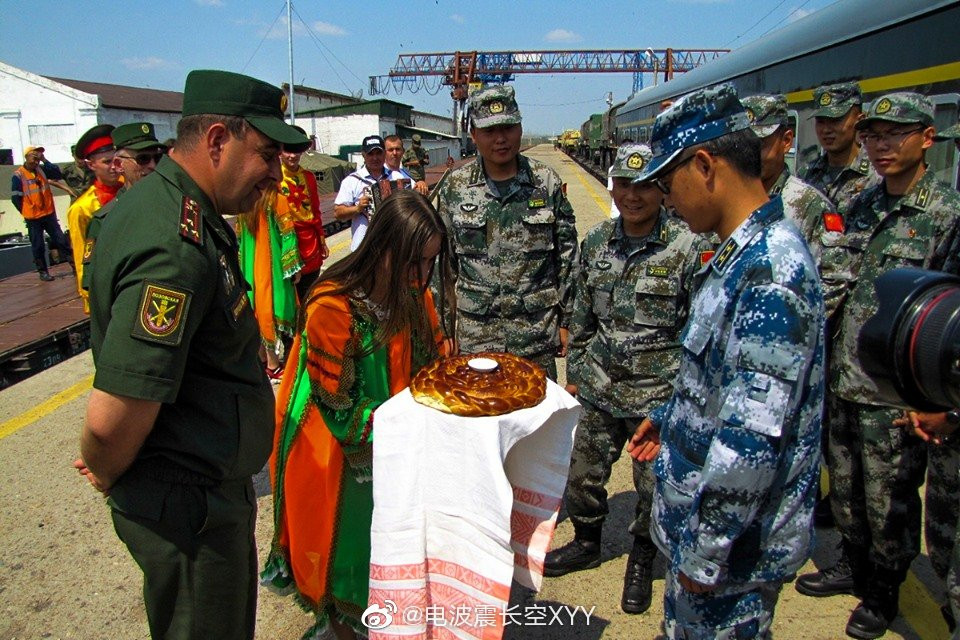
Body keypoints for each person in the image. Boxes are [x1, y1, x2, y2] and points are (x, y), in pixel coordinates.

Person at [75, 69, 308, 640]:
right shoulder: (172, 247)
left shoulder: (184, 212)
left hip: (201, 490)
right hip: (189, 511)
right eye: (268, 155)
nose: (277, 175)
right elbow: (112, 422)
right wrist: (107, 471)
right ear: (217, 141)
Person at [626, 84, 825, 639]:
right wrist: (670, 417)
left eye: (669, 184)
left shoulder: (769, 275)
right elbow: (721, 377)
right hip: (708, 535)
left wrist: (705, 553)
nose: (667, 199)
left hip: (731, 554)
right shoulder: (739, 255)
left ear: (706, 166)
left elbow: (752, 437)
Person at [796, 93, 960, 640]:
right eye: (873, 135)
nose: (880, 145)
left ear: (927, 138)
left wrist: (937, 401)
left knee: (889, 498)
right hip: (844, 378)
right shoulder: (862, 206)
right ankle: (854, 564)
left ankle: (884, 589)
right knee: (843, 490)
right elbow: (833, 284)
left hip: (897, 394)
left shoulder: (947, 216)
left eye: (894, 133)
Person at [261, 189, 454, 640]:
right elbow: (342, 413)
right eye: (416, 262)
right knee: (349, 558)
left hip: (398, 436)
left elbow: (435, 361)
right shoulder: (333, 303)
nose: (424, 275)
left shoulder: (413, 292)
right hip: (339, 456)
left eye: (431, 263)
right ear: (384, 247)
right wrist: (416, 432)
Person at [545, 143, 712, 615]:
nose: (631, 195)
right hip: (599, 388)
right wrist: (576, 374)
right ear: (612, 187)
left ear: (661, 188)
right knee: (580, 477)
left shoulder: (687, 248)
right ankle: (587, 541)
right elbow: (581, 318)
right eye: (622, 184)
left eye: (642, 185)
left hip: (655, 400)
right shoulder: (596, 242)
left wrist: (679, 403)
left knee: (653, 487)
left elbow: (697, 332)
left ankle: (642, 555)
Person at [436, 84, 578, 378]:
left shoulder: (545, 182)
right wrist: (443, 328)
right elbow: (442, 265)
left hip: (535, 334)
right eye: (489, 131)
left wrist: (568, 321)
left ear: (520, 127)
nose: (501, 139)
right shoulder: (455, 188)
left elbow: (567, 259)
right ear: (474, 135)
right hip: (477, 339)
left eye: (508, 128)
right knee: (479, 418)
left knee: (537, 419)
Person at [78, 123, 168, 299]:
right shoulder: (104, 220)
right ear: (119, 164)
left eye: (157, 158)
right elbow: (96, 284)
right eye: (142, 159)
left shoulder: (175, 205)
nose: (152, 166)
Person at [237, 183, 300, 381]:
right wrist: (293, 266)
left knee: (256, 309)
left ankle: (263, 359)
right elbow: (288, 235)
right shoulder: (277, 199)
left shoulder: (245, 200)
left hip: (249, 266)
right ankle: (274, 364)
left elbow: (239, 237)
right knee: (274, 308)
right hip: (272, 269)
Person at [800, 82, 879, 216]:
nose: (826, 130)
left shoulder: (877, 175)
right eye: (820, 121)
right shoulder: (806, 175)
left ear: (859, 120)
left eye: (836, 120)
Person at [67, 124, 122, 312]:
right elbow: (82, 258)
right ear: (91, 165)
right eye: (107, 162)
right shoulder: (82, 209)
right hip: (106, 291)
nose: (115, 167)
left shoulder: (133, 189)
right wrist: (91, 297)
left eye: (117, 160)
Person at [334, 135, 420, 251]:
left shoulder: (397, 177)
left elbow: (417, 195)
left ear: (384, 154)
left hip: (393, 248)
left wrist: (421, 185)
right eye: (370, 154)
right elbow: (338, 213)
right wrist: (357, 208)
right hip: (364, 248)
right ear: (363, 155)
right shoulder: (352, 181)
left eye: (378, 153)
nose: (375, 158)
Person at [279, 125, 328, 303]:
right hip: (287, 244)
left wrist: (322, 240)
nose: (292, 155)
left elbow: (315, 211)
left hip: (311, 244)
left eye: (296, 150)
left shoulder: (308, 177)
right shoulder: (274, 178)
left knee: (309, 294)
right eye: (288, 150)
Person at [11, 145, 74, 281]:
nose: (36, 161)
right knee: (38, 245)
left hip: (48, 213)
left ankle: (74, 265)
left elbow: (57, 174)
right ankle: (43, 272)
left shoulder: (42, 169)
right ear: (27, 157)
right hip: (33, 217)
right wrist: (25, 211)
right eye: (34, 157)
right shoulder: (18, 175)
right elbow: (15, 198)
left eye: (38, 158)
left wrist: (45, 160)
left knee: (61, 240)